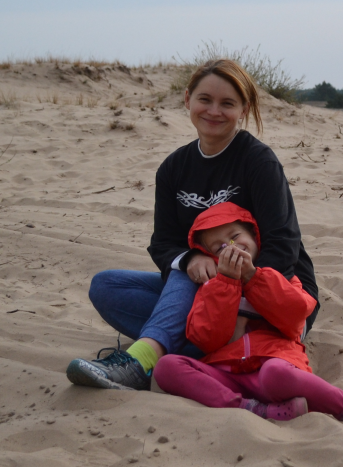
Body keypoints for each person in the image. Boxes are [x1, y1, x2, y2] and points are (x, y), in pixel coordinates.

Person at [66, 59, 318, 391]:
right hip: (209, 296)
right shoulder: (173, 169)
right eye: (205, 99)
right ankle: (204, 350)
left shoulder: (258, 162)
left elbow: (284, 246)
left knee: (185, 276)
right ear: (187, 99)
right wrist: (191, 259)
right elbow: (163, 243)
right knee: (107, 286)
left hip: (274, 297)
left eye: (227, 103)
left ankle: (143, 359)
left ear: (243, 109)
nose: (214, 111)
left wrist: (238, 297)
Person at [153, 201, 343, 436]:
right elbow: (207, 339)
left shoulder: (280, 277)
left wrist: (252, 277)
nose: (230, 247)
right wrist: (226, 283)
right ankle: (253, 409)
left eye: (235, 236)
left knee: (275, 373)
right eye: (219, 248)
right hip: (227, 374)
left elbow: (296, 317)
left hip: (275, 368)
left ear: (255, 237)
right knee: (167, 367)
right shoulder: (211, 287)